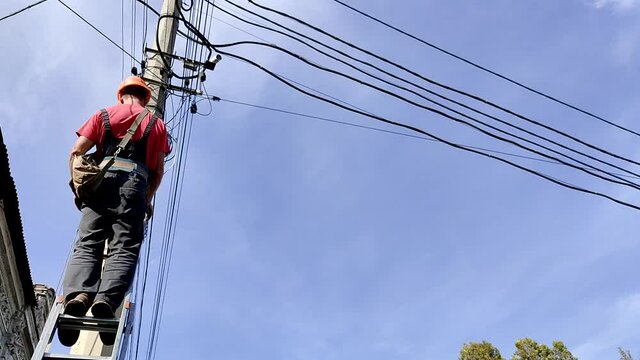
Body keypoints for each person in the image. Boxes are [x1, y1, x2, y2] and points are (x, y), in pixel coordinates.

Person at [59, 76, 170, 347]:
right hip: (135, 184)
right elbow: (157, 173)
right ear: (146, 98)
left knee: (88, 242)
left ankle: (78, 297)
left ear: (122, 95)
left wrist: (81, 185)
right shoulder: (156, 125)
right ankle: (106, 301)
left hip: (101, 180)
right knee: (125, 246)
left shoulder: (104, 114)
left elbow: (77, 151)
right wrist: (146, 198)